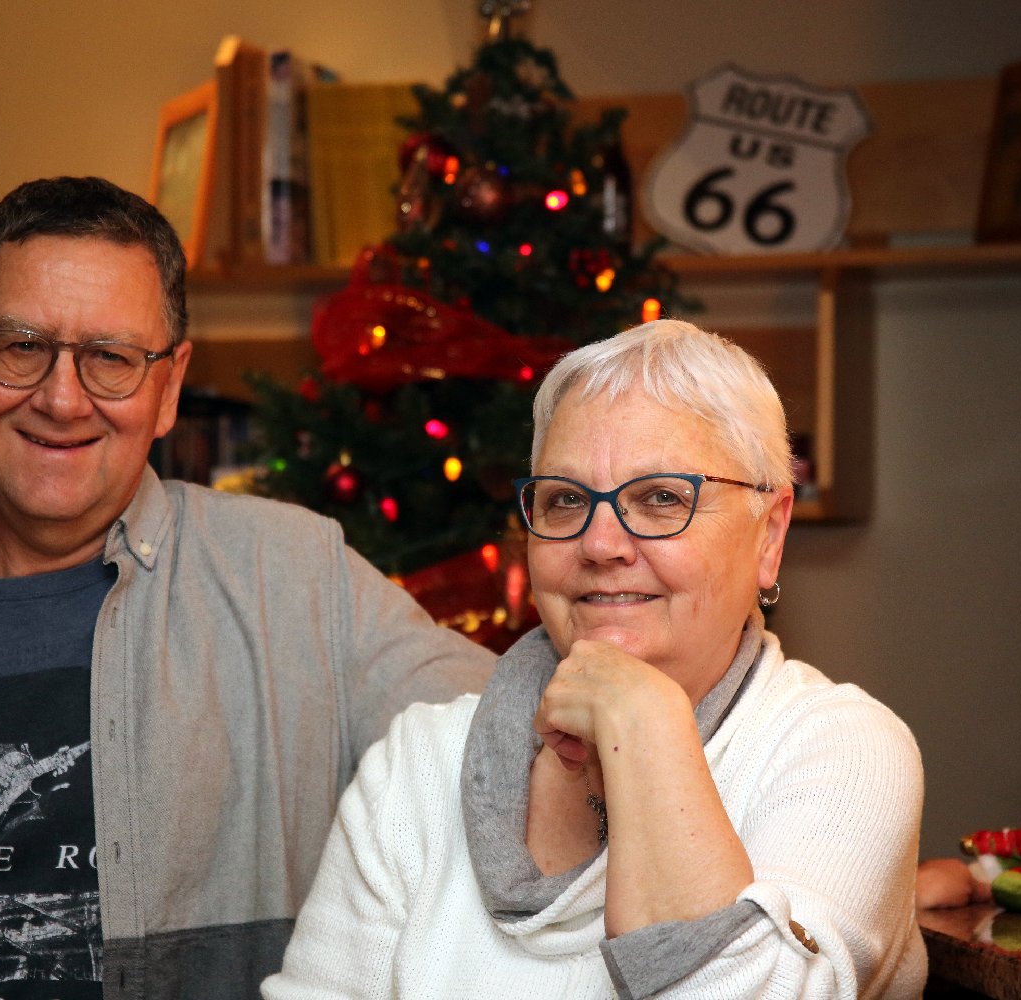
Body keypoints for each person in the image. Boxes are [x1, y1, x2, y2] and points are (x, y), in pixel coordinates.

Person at [0, 176, 494, 1000]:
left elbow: (510, 743)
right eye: (20, 346)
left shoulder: (297, 581)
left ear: (169, 386)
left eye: (111, 359)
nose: (61, 399)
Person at [264, 319, 926, 999]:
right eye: (566, 500)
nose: (601, 543)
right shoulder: (418, 762)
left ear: (770, 535)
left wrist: (645, 723)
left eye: (661, 497)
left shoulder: (843, 752)